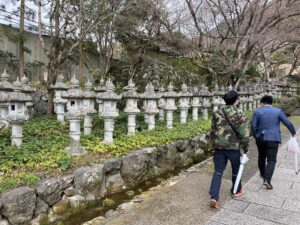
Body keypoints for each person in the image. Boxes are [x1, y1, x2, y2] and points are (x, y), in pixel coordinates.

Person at [209, 90, 249, 209]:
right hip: (233, 147)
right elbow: (244, 133)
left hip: (219, 147)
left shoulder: (217, 112)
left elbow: (213, 130)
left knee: (218, 172)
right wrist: (245, 149)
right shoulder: (239, 113)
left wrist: (213, 145)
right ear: (236, 100)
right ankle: (235, 190)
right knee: (236, 170)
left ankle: (214, 197)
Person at [251, 95, 296, 189]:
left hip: (260, 137)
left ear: (262, 103)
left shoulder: (257, 111)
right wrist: (293, 133)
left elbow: (253, 126)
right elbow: (287, 123)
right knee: (271, 160)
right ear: (271, 103)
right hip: (273, 138)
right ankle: (267, 179)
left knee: (261, 156)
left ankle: (263, 175)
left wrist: (256, 135)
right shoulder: (278, 111)